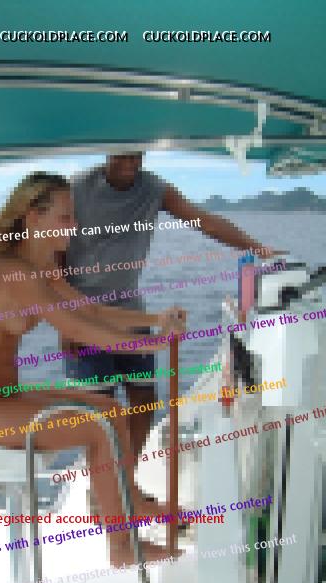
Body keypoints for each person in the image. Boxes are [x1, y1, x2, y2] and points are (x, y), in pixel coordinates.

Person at [0, 172, 186, 567]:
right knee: (98, 428)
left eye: (74, 216)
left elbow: (89, 310)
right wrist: (155, 344)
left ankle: (131, 502)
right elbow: (76, 329)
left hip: (4, 396)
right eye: (65, 217)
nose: (74, 226)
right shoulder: (14, 272)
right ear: (33, 217)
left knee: (112, 412)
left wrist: (155, 320)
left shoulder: (40, 266)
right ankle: (121, 548)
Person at [65, 153, 277, 456]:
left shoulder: (154, 188)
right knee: (100, 411)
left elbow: (206, 222)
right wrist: (66, 323)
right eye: (122, 153)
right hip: (84, 318)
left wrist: (257, 248)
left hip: (131, 313)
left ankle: (129, 475)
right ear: (108, 150)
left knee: (143, 400)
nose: (130, 161)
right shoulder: (77, 188)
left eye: (137, 154)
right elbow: (54, 254)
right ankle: (103, 483)